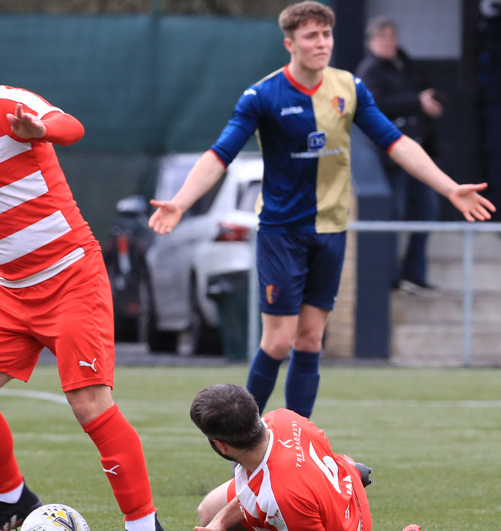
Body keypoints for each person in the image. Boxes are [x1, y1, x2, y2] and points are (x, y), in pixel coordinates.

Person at [148, 1, 494, 421]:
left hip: (331, 229)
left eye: (326, 34)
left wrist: (449, 187)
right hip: (281, 232)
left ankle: (297, 445)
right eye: (312, 36)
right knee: (277, 343)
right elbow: (220, 155)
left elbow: (396, 142)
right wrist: (180, 202)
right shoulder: (262, 95)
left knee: (311, 340)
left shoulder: (349, 87)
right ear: (289, 43)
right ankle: (238, 439)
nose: (322, 43)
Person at [0, 27, 168, 531]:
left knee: (90, 406)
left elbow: (70, 126)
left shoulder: (11, 105)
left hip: (71, 277)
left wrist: (40, 129)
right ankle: (12, 500)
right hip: (9, 290)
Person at [188, 383, 427, 531]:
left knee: (283, 521)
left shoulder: (280, 495)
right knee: (208, 514)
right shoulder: (281, 418)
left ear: (221, 446)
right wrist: (220, 522)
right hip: (329, 481)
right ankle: (345, 471)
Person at [356, 16, 444, 294]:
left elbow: (426, 94)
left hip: (420, 154)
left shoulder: (407, 65)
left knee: (427, 211)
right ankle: (390, 277)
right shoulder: (369, 71)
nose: (389, 42)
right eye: (382, 37)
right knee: (394, 214)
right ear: (371, 41)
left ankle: (414, 274)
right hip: (392, 159)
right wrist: (416, 102)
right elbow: (375, 107)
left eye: (392, 36)